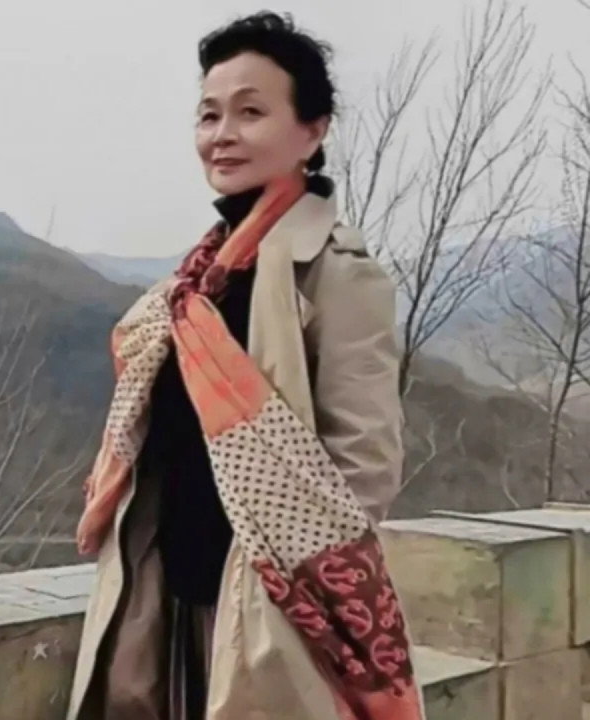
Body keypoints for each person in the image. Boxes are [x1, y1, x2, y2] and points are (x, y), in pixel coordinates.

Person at [67, 12, 424, 720]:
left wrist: (280, 593)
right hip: (167, 596)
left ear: (313, 131)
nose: (222, 133)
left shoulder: (335, 276)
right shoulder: (196, 283)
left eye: (251, 112)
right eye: (209, 114)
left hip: (269, 614)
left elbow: (365, 466)